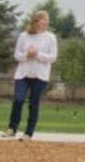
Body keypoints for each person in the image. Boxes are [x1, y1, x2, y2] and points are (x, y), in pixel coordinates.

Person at [3, 10, 57, 140]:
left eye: (47, 19)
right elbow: (17, 55)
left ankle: (28, 132)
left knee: (34, 103)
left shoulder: (50, 37)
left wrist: (37, 54)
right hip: (23, 74)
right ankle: (12, 128)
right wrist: (27, 55)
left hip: (40, 76)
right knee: (18, 99)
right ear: (36, 21)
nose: (46, 22)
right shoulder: (24, 36)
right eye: (44, 19)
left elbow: (53, 57)